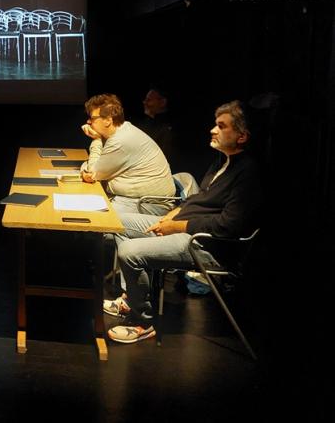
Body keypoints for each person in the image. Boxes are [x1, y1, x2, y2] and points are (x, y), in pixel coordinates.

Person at [104, 100, 261, 344]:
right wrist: (175, 213)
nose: (213, 130)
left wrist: (176, 226)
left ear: (242, 136)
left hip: (209, 246)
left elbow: (227, 226)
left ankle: (142, 321)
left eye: (221, 126)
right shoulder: (222, 161)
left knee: (129, 252)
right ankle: (131, 298)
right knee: (114, 221)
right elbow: (199, 199)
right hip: (188, 229)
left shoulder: (248, 173)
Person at [80, 94, 175, 215]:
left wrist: (96, 140)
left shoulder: (120, 140)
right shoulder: (123, 130)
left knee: (92, 215)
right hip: (135, 199)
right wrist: (90, 171)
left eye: (92, 118)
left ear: (108, 120)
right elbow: (95, 169)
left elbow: (92, 173)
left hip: (148, 205)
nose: (88, 122)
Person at [135, 87, 175, 164]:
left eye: (149, 100)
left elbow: (164, 157)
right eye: (145, 99)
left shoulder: (167, 127)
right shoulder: (146, 122)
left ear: (163, 102)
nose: (144, 102)